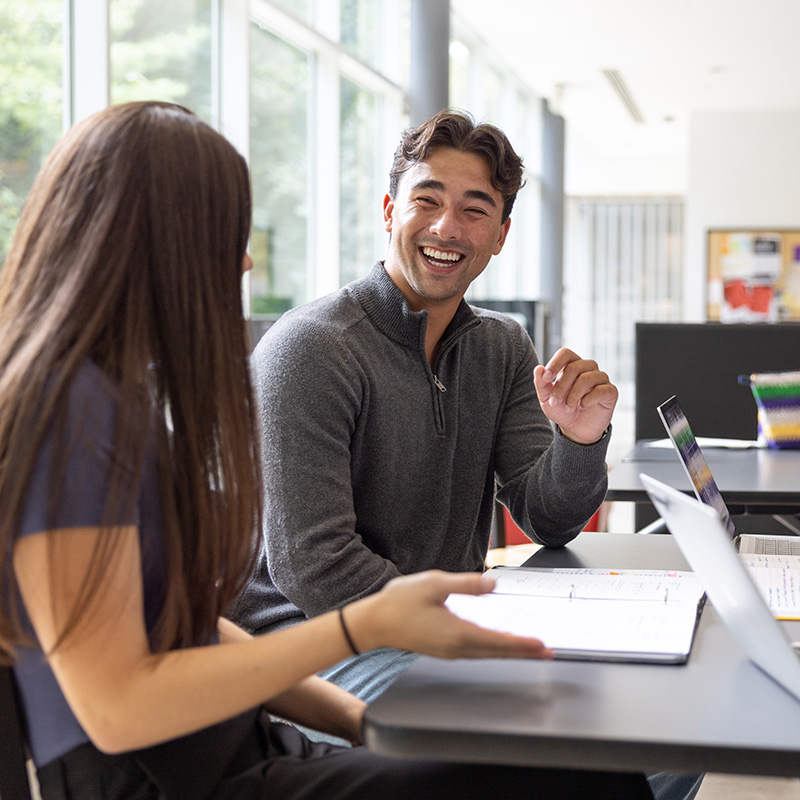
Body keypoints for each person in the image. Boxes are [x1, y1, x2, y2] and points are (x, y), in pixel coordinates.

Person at [0, 101, 657, 800]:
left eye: (474, 209)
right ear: (148, 238)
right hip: (192, 774)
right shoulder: (71, 418)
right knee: (587, 771)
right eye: (226, 230)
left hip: (251, 738)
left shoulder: (114, 400)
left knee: (602, 756)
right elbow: (117, 710)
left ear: (501, 234)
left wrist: (359, 723)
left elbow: (187, 626)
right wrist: (370, 625)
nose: (246, 258)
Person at [231, 109, 702, 800]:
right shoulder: (312, 349)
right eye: (426, 200)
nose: (447, 228)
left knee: (672, 735)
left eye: (474, 210)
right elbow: (316, 569)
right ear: (391, 209)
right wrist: (478, 625)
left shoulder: (500, 347)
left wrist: (578, 439)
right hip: (318, 649)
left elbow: (548, 518)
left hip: (440, 627)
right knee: (584, 751)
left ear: (501, 235)